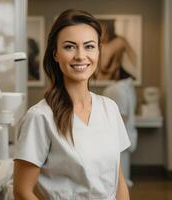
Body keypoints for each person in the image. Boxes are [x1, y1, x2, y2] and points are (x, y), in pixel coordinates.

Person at [13, 9, 130, 200]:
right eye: (69, 47)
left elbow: (119, 182)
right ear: (56, 54)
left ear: (98, 51)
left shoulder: (110, 108)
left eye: (89, 46)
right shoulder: (40, 117)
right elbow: (22, 191)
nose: (80, 56)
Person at [103, 78, 138, 187]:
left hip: (116, 131)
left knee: (121, 162)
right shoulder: (119, 90)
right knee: (120, 162)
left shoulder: (116, 89)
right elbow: (123, 115)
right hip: (118, 132)